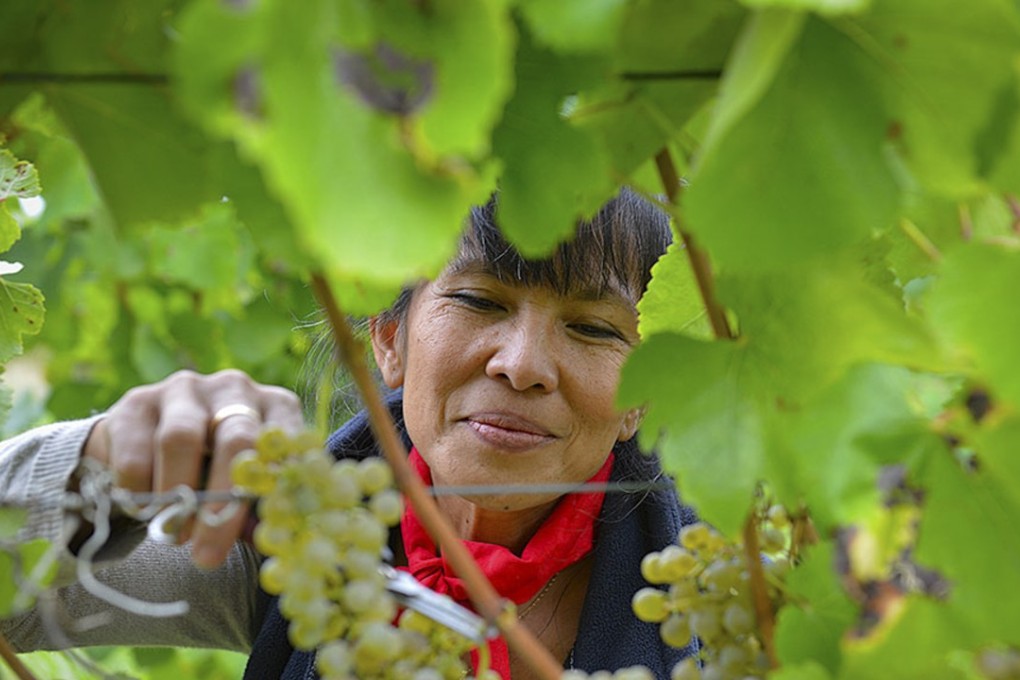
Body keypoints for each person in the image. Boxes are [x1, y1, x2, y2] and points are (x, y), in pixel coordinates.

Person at [0, 189, 698, 680]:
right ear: (389, 342)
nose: (520, 365)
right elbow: (16, 607)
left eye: (594, 328)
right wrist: (89, 464)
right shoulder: (293, 543)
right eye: (479, 300)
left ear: (646, 393)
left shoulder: (726, 587)